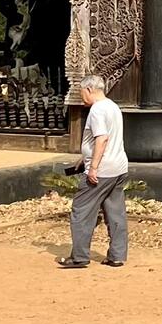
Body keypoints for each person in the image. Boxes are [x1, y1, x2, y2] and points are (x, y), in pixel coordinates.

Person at [59, 74, 129, 270]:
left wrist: (93, 167)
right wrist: (84, 159)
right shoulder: (112, 106)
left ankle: (79, 256)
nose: (81, 96)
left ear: (89, 89)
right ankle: (117, 255)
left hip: (102, 170)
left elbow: (102, 139)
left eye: (81, 91)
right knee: (115, 212)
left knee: (81, 210)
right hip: (119, 167)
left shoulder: (97, 110)